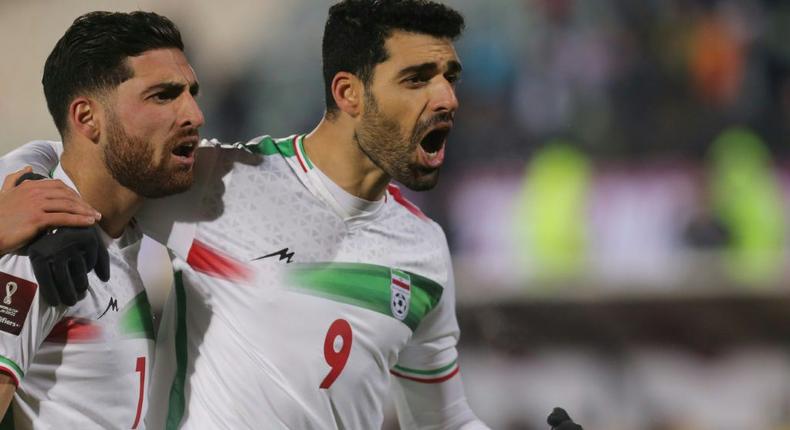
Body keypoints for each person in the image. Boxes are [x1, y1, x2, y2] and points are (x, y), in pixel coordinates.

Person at [3, 1, 584, 428]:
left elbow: (445, 421)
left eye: (450, 78)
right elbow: (89, 154)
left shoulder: (424, 251)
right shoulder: (220, 182)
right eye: (417, 79)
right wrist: (30, 193)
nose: (447, 99)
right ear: (350, 92)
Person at [0, 11, 204, 428]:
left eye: (191, 93)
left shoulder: (133, 236)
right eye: (163, 96)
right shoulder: (38, 252)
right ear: (87, 118)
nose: (194, 115)